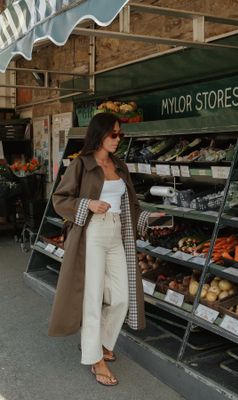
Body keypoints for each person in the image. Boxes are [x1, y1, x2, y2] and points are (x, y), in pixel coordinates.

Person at [48, 113, 163, 386]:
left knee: (122, 296)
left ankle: (101, 341)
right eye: (114, 134)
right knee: (92, 297)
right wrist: (87, 204)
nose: (118, 139)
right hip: (93, 232)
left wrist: (148, 218)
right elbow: (59, 199)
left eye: (120, 135)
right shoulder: (82, 164)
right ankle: (94, 357)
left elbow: (131, 205)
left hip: (118, 232)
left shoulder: (119, 165)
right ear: (99, 134)